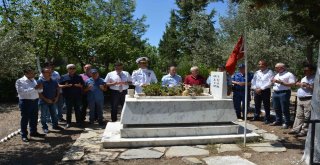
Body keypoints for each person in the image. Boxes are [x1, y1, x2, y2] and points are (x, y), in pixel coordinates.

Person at [15, 67, 44, 142]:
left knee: (34, 118)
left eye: (33, 72)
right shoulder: (20, 81)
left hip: (35, 101)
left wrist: (40, 88)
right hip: (25, 102)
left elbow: (39, 90)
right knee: (25, 119)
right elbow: (21, 92)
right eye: (32, 73)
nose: (34, 74)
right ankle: (24, 135)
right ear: (26, 73)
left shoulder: (34, 80)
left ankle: (33, 132)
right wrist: (34, 88)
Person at [288, 64, 315, 136]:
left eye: (307, 70)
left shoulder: (315, 78)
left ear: (312, 71)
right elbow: (300, 84)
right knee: (299, 115)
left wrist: (308, 85)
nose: (305, 71)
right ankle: (296, 129)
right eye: (304, 70)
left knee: (307, 116)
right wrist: (299, 84)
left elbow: (316, 89)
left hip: (308, 99)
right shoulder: (304, 78)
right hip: (300, 98)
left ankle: (304, 131)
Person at [270, 63, 296, 129]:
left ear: (282, 67)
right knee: (276, 107)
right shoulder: (277, 75)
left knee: (284, 108)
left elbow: (292, 84)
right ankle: (278, 120)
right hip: (275, 92)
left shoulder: (289, 74)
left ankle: (287, 122)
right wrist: (273, 82)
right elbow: (275, 83)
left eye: (276, 67)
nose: (275, 69)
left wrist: (280, 82)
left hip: (284, 93)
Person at [37, 68, 63, 134]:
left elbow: (58, 88)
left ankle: (55, 125)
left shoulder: (54, 81)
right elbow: (39, 93)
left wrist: (57, 97)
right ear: (43, 73)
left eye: (50, 72)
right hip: (43, 102)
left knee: (54, 114)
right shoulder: (40, 81)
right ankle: (45, 128)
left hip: (53, 101)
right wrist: (46, 99)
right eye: (47, 72)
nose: (50, 73)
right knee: (43, 116)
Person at [59, 64, 84, 128]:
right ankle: (68, 123)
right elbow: (58, 85)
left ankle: (78, 122)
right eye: (70, 68)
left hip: (77, 96)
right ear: (67, 69)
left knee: (77, 110)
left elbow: (83, 85)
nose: (72, 69)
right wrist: (65, 86)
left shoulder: (79, 77)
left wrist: (79, 86)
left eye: (73, 68)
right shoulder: (63, 76)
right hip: (68, 96)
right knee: (68, 110)